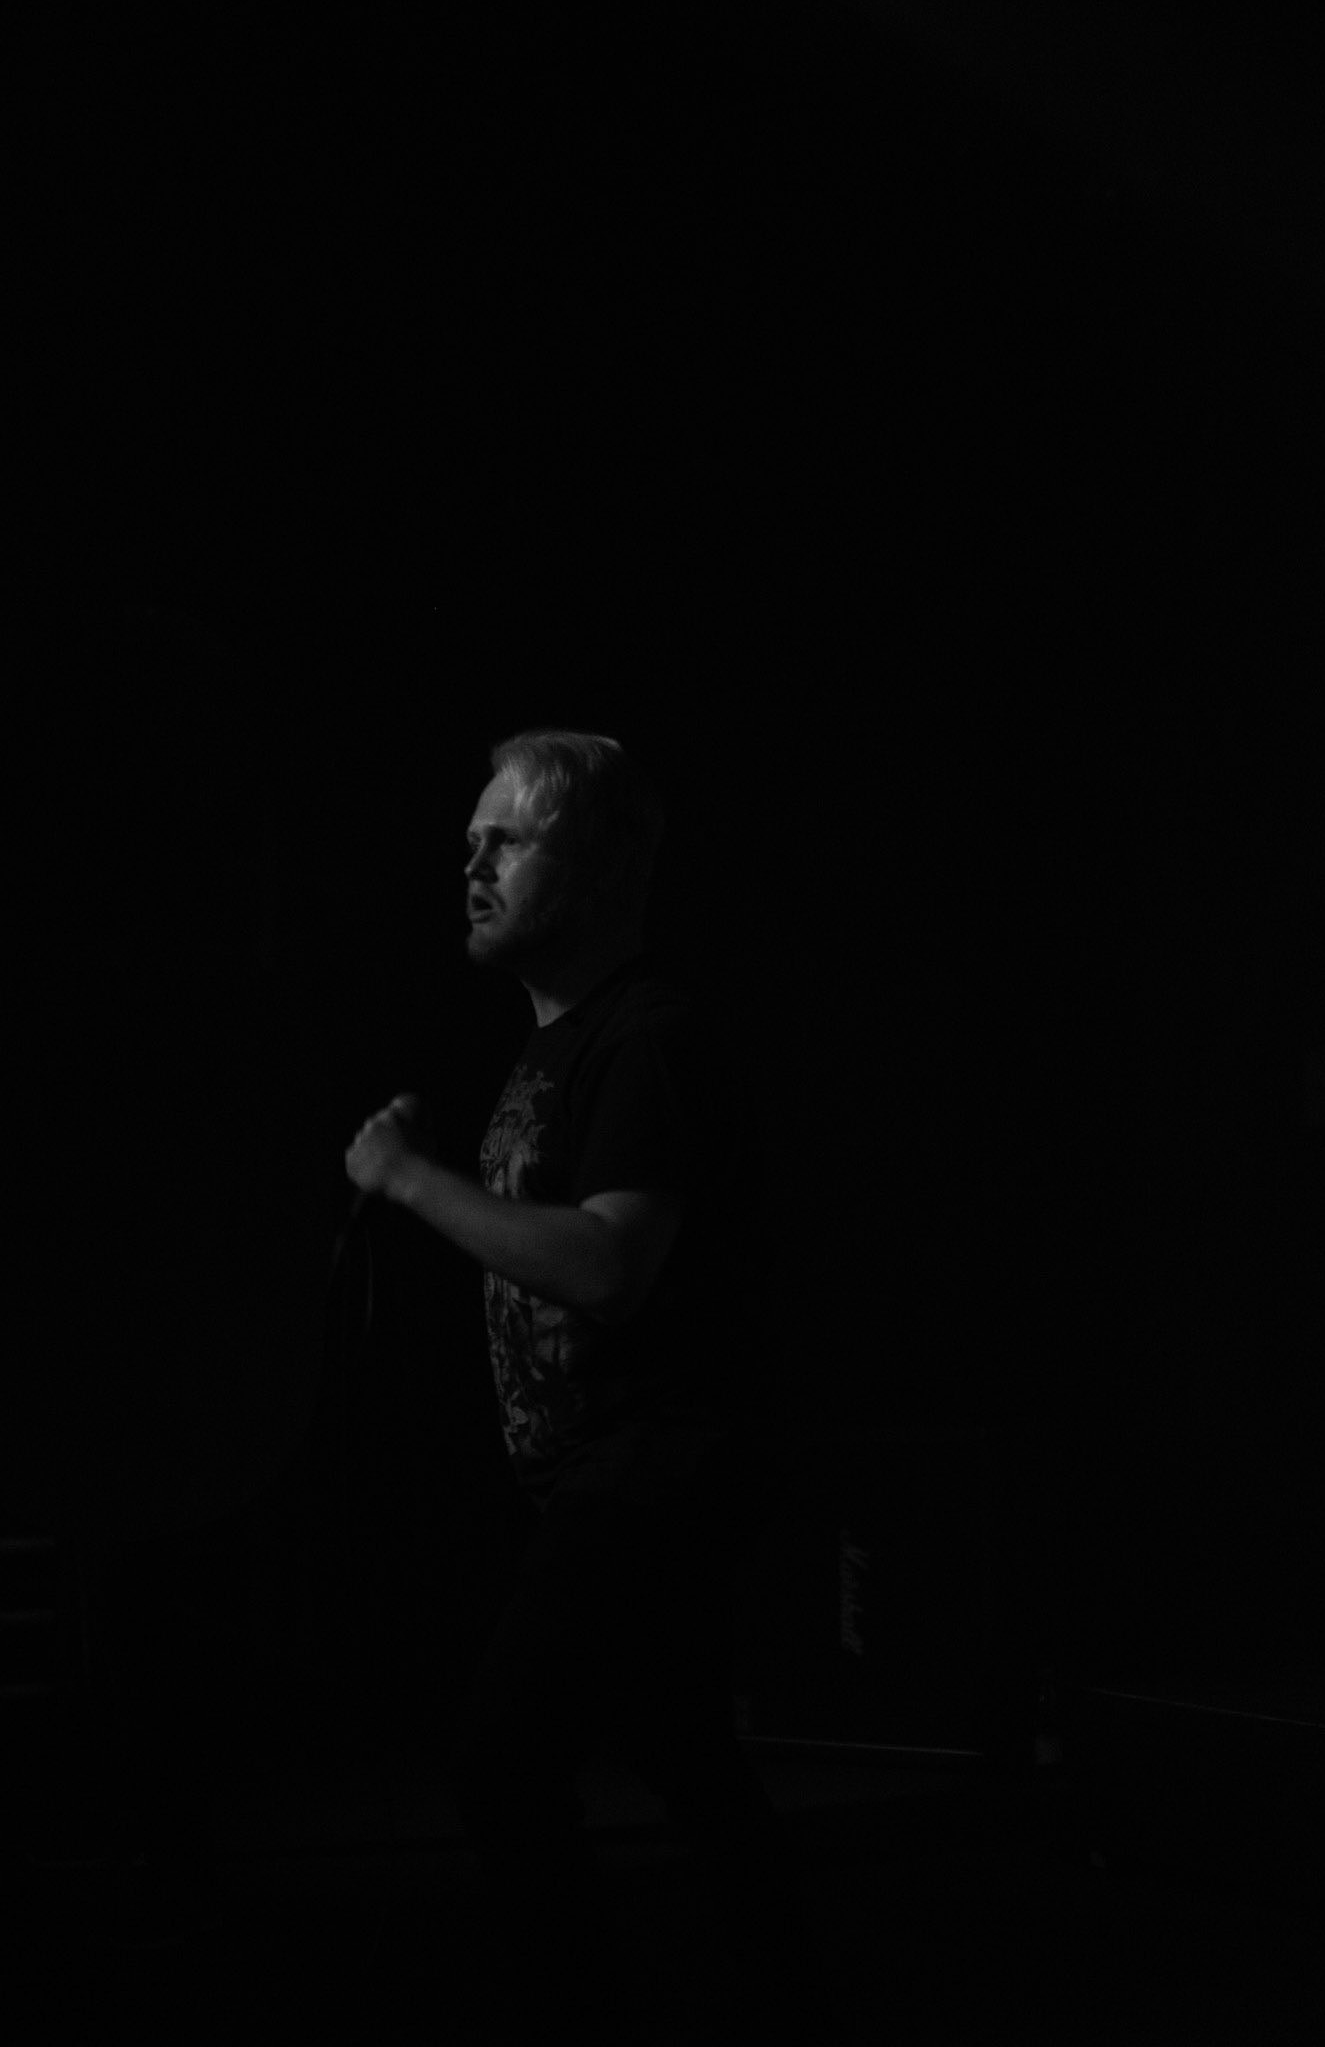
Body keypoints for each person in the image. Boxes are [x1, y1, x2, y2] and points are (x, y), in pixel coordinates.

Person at [344, 730, 815, 2035]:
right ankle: (784, 1996)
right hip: (594, 1473)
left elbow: (609, 1266)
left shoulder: (648, 1042)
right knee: (684, 1751)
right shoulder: (550, 1051)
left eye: (507, 842)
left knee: (501, 1763)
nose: (472, 866)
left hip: (652, 1470)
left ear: (601, 867)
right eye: (469, 844)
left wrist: (409, 1180)